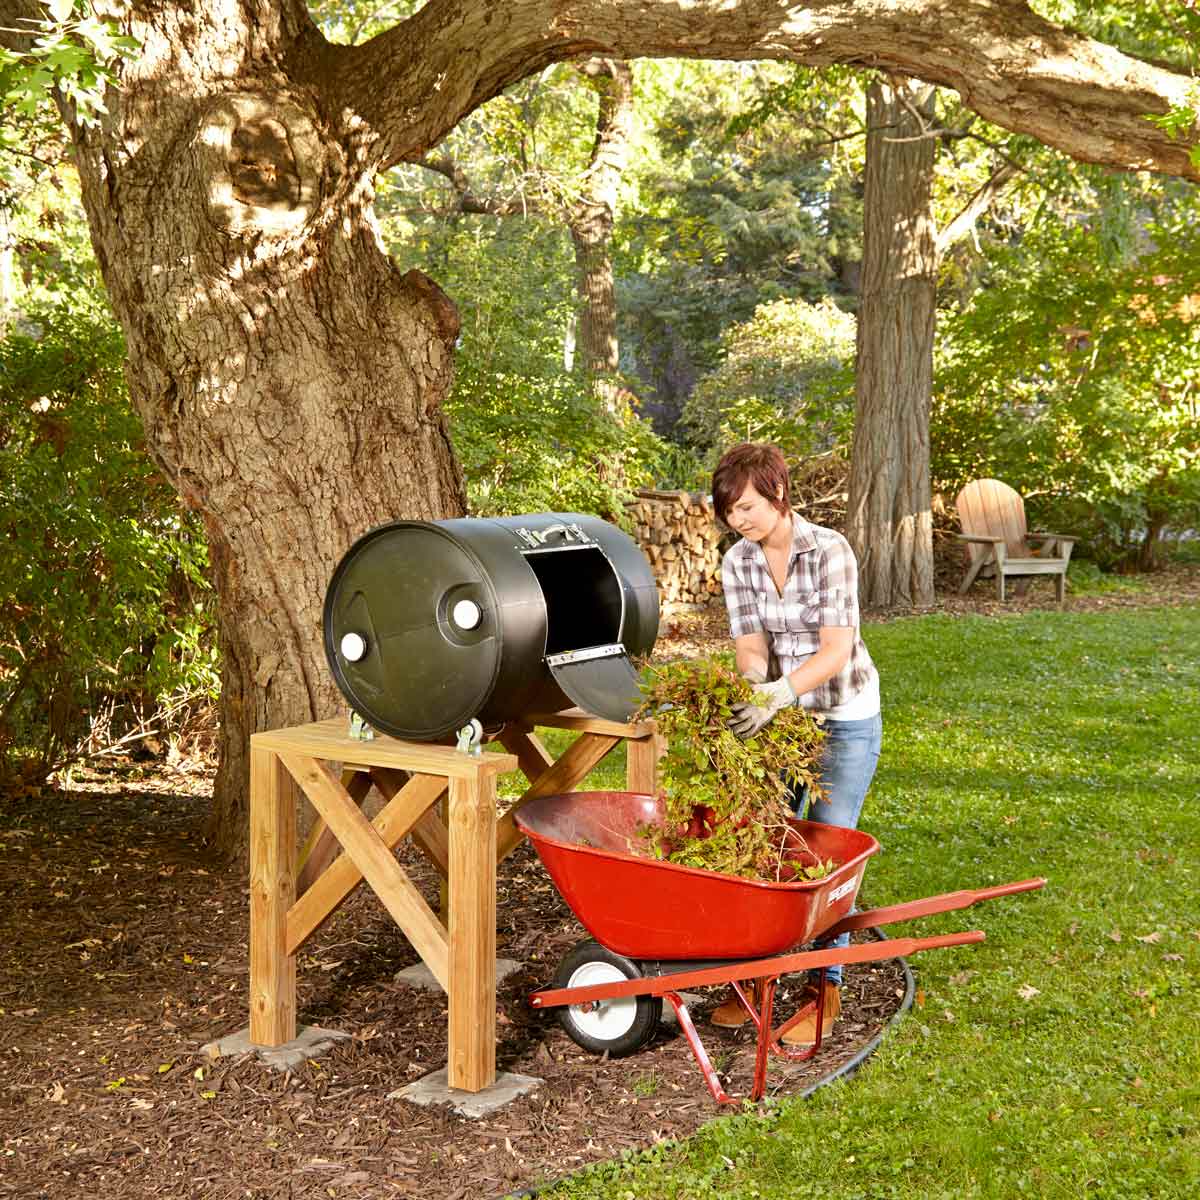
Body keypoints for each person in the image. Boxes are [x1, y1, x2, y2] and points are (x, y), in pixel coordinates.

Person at [708, 442, 882, 1046]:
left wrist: (779, 693)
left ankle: (820, 991)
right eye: (730, 511)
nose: (740, 520)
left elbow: (835, 651)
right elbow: (751, 647)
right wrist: (757, 686)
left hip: (843, 717)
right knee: (772, 841)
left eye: (749, 506)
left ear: (779, 494)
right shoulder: (739, 563)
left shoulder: (829, 550)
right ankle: (756, 981)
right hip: (784, 724)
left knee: (828, 851)